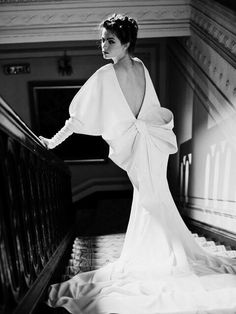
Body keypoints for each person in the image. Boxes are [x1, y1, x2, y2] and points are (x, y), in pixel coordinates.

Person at [40, 13, 236, 314]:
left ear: (127, 42)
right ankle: (168, 253)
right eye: (102, 40)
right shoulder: (141, 66)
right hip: (148, 144)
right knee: (154, 200)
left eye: (110, 40)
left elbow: (77, 119)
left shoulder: (108, 74)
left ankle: (164, 257)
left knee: (151, 201)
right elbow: (151, 110)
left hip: (143, 144)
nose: (103, 46)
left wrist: (52, 142)